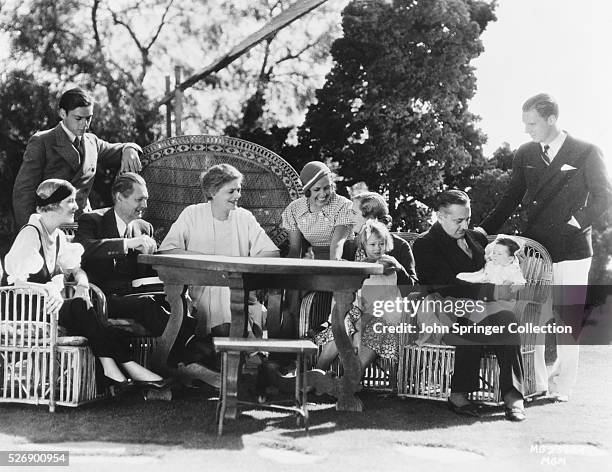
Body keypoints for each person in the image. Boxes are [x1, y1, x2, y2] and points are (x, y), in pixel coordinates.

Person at [476, 93, 612, 402]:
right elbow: (509, 198)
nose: (527, 130)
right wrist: (483, 229)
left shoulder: (587, 151)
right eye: (524, 123)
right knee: (531, 318)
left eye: (532, 123)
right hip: (534, 250)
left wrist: (578, 223)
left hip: (572, 251)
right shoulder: (525, 153)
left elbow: (604, 196)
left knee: (567, 321)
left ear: (552, 119)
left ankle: (563, 387)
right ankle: (536, 383)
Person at [4, 179, 166, 390]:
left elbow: (76, 269)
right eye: (70, 201)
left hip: (49, 307)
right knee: (81, 308)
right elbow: (16, 280)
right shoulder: (30, 234)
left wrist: (81, 284)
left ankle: (112, 367)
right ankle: (124, 365)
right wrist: (48, 290)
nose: (76, 206)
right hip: (25, 309)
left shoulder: (58, 235)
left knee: (84, 306)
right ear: (53, 206)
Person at [158, 164, 279, 383]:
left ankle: (232, 365)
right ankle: (250, 355)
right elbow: (168, 249)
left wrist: (241, 267)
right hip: (199, 290)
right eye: (231, 191)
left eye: (239, 190)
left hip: (241, 289)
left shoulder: (244, 217)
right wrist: (208, 261)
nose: (238, 196)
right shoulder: (192, 214)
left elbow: (271, 252)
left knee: (230, 290)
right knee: (225, 293)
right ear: (212, 193)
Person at [413, 190, 526, 421]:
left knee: (507, 320)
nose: (465, 225)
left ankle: (512, 395)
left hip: (484, 307)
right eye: (458, 220)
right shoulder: (425, 244)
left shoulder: (478, 238)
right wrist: (493, 292)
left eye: (468, 219)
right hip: (443, 310)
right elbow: (446, 285)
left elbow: (494, 270)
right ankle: (459, 393)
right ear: (439, 216)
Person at [313, 192, 417, 369]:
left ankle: (349, 383)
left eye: (354, 213)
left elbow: (413, 288)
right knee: (343, 325)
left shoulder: (398, 246)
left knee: (374, 329)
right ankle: (315, 375)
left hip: (386, 312)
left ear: (371, 218)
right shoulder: (350, 246)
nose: (349, 217)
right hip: (353, 308)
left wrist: (399, 268)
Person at [12, 87, 143, 228]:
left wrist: (129, 148)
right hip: (52, 227)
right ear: (63, 113)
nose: (85, 124)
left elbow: (117, 149)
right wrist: (30, 230)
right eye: (78, 118)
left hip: (85, 226)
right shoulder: (42, 141)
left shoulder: (92, 142)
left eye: (89, 118)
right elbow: (23, 193)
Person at [74, 173, 169, 337]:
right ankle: (188, 349)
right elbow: (82, 248)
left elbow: (152, 271)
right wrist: (126, 244)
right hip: (102, 297)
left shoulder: (145, 228)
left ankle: (187, 347)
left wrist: (151, 258)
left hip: (136, 294)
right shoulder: (93, 220)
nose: (145, 205)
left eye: (146, 199)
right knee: (146, 305)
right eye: (139, 200)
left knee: (174, 300)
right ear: (119, 197)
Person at [416, 235, 526, 345]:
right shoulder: (491, 266)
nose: (495, 256)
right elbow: (480, 276)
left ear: (510, 259)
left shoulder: (512, 269)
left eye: (499, 254)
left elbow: (520, 281)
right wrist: (463, 277)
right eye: (494, 253)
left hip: (501, 303)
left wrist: (517, 285)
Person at [282, 161, 354, 261]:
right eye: (317, 189)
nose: (323, 194)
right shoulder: (294, 209)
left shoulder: (343, 205)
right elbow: (295, 250)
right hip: (319, 261)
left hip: (344, 258)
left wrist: (335, 265)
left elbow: (337, 244)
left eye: (327, 188)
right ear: (307, 190)